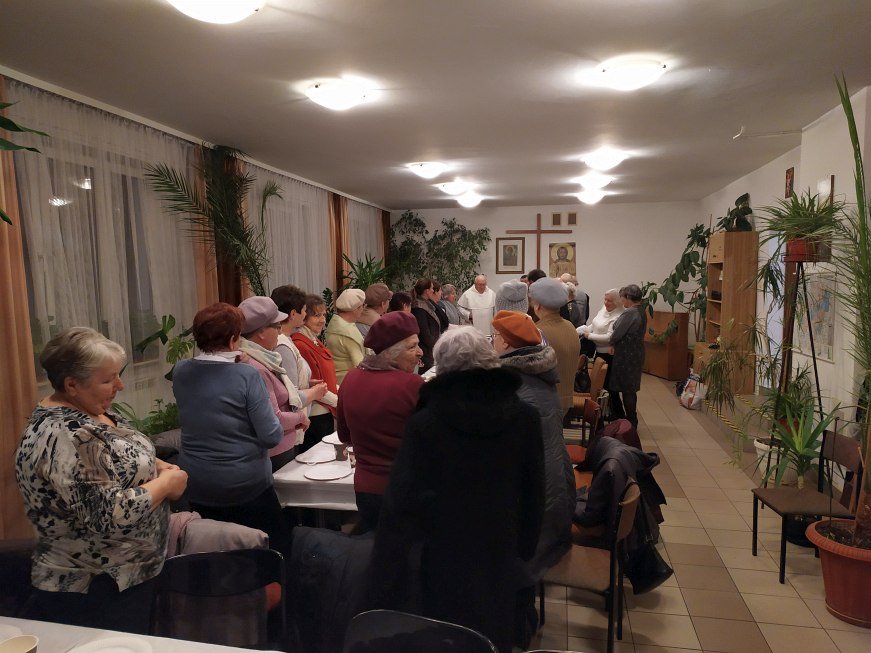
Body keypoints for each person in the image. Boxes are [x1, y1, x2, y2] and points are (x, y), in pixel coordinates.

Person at [368, 327, 544, 653]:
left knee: (445, 636)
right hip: (500, 548)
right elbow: (534, 491)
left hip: (442, 554)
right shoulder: (525, 417)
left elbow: (402, 503)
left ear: (443, 368)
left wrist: (388, 573)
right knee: (493, 633)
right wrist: (525, 549)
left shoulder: (425, 423)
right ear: (490, 359)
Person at [15, 327, 188, 634]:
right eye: (108, 380)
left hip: (126, 575)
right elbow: (107, 514)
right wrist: (166, 484)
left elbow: (121, 451)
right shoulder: (69, 436)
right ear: (71, 384)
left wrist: (158, 465)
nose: (119, 385)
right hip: (96, 587)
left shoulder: (88, 411)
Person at [173, 303, 292, 556]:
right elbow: (271, 435)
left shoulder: (181, 371)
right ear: (232, 339)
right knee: (270, 548)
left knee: (213, 551)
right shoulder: (247, 375)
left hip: (196, 481)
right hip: (243, 484)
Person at [491, 311, 574, 583]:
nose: (492, 341)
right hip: (557, 488)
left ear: (505, 343)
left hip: (538, 507)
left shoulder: (512, 385)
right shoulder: (539, 373)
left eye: (494, 336)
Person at [337, 311, 424, 532]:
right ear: (391, 352)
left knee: (374, 547)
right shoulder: (412, 385)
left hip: (366, 490)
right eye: (412, 346)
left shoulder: (351, 378)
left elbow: (344, 435)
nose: (420, 352)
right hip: (406, 489)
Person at [238, 296, 310, 470]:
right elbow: (274, 418)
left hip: (280, 447)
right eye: (277, 327)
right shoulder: (256, 367)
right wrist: (300, 416)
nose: (280, 332)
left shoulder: (263, 359)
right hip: (275, 453)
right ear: (261, 332)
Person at [270, 283, 329, 415]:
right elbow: (291, 397)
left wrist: (307, 384)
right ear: (293, 314)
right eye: (304, 310)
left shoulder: (287, 339)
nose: (305, 314)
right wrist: (314, 392)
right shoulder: (283, 345)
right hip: (294, 420)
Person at [292, 294, 339, 450]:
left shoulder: (314, 340)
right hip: (316, 415)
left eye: (323, 315)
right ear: (304, 316)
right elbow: (314, 384)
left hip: (325, 410)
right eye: (316, 315)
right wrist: (340, 402)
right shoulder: (300, 344)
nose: (322, 320)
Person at [528, 277, 581, 416]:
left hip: (545, 403)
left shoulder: (538, 332)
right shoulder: (570, 327)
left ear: (538, 306)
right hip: (566, 400)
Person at [609, 284, 647, 428]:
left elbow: (617, 331)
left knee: (627, 390)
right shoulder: (641, 310)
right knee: (630, 389)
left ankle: (630, 421)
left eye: (623, 298)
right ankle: (630, 421)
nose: (622, 301)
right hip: (636, 353)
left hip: (626, 355)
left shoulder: (630, 312)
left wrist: (612, 341)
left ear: (629, 297)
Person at [578, 288, 624, 382]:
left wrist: (589, 336)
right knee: (597, 379)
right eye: (605, 299)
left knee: (604, 381)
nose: (606, 302)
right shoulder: (604, 309)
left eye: (609, 301)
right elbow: (594, 324)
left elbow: (609, 337)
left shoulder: (618, 316)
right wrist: (580, 330)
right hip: (598, 352)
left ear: (617, 302)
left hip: (608, 355)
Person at [325, 288, 367, 384]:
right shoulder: (348, 333)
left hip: (337, 379)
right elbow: (360, 365)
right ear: (356, 309)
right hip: (349, 382)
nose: (363, 310)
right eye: (362, 306)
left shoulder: (334, 324)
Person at [411, 277, 442, 372]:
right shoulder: (419, 308)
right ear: (427, 291)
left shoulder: (426, 304)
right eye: (432, 288)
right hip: (425, 351)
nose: (433, 290)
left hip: (430, 349)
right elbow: (424, 333)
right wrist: (436, 346)